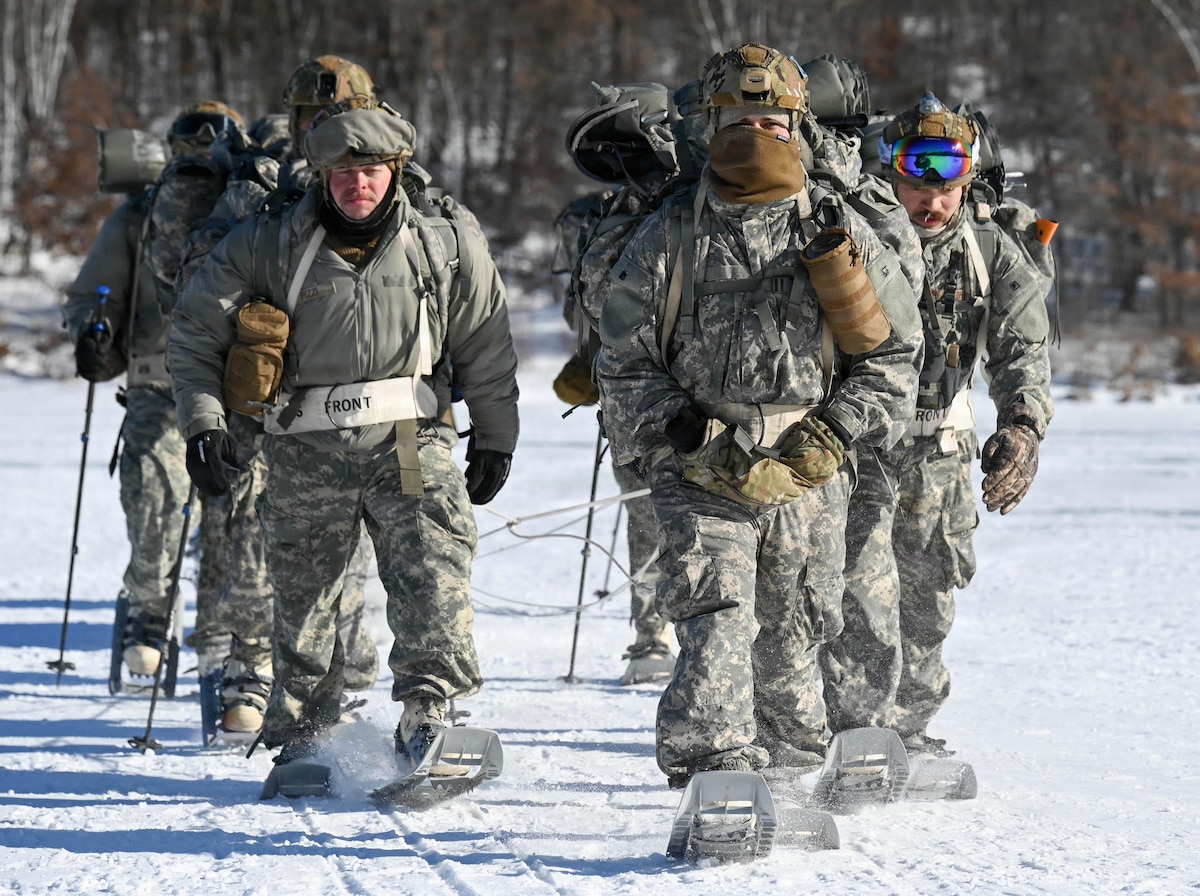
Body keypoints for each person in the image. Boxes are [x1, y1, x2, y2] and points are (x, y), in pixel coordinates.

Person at [594, 43, 922, 787]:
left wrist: (833, 435)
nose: (756, 132)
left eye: (772, 118)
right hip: (702, 465)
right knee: (717, 619)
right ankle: (711, 772)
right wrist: (685, 431)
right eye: (738, 117)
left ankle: (784, 776)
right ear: (709, 124)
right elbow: (622, 361)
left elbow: (895, 357)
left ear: (799, 124)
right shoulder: (669, 234)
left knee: (795, 634)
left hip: (808, 468)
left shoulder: (838, 227)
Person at [168, 98, 519, 773]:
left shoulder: (443, 243)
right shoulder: (267, 244)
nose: (358, 186)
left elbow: (487, 344)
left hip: (410, 440)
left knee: (433, 572)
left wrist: (496, 436)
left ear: (395, 171)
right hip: (304, 448)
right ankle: (304, 737)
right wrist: (205, 424)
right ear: (322, 176)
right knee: (306, 598)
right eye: (342, 174)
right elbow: (195, 332)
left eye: (372, 172)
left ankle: (429, 712)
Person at [819, 93, 1054, 755]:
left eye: (947, 189)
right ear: (891, 178)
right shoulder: (855, 238)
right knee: (860, 598)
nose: (933, 203)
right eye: (918, 187)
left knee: (928, 603)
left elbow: (1022, 351)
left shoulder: (991, 251)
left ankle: (909, 731)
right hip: (859, 447)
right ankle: (858, 731)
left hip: (942, 451)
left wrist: (1022, 426)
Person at [178, 56, 384, 738]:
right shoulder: (258, 184)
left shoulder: (384, 183)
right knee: (248, 537)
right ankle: (247, 669)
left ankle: (334, 680)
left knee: (342, 552)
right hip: (260, 397)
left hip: (349, 400)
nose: (322, 127)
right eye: (309, 118)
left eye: (337, 114)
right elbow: (198, 280)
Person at [63, 100, 246, 685]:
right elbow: (95, 290)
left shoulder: (249, 211)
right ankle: (147, 608)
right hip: (156, 380)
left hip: (236, 391)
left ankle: (226, 633)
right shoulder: (138, 218)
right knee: (153, 498)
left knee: (234, 512)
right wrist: (95, 330)